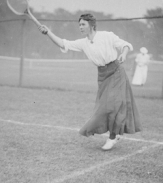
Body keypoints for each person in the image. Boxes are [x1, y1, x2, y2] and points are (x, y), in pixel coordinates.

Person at [38, 13, 141, 150]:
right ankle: (115, 134)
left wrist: (123, 53)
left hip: (116, 72)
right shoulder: (83, 43)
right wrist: (48, 33)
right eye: (79, 24)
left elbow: (125, 45)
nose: (80, 27)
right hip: (103, 76)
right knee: (106, 107)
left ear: (91, 25)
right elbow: (63, 43)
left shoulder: (106, 35)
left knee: (112, 105)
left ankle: (113, 137)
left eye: (83, 24)